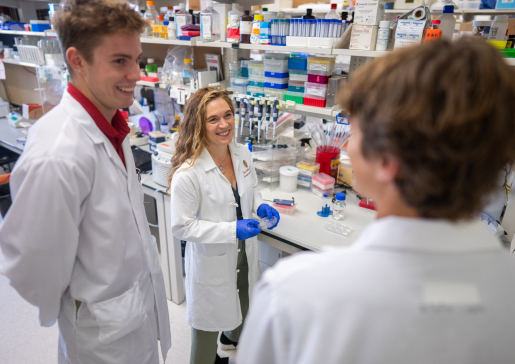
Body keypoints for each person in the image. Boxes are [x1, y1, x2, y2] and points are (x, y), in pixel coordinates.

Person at [237, 39, 515, 363]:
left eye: (353, 133)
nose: (347, 147)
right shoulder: (505, 288)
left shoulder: (296, 294)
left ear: (387, 160)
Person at [0, 1, 171, 363]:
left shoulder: (112, 127)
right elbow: (31, 267)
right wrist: (79, 302)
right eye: (120, 61)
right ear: (77, 60)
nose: (137, 74)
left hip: (132, 315)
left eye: (137, 59)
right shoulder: (59, 154)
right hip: (102, 336)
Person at [168, 87, 280, 364]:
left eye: (228, 115)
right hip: (213, 263)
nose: (224, 124)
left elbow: (249, 191)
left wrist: (260, 206)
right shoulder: (189, 173)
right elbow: (182, 227)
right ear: (198, 125)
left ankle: (227, 351)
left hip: (244, 254)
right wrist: (232, 231)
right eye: (213, 119)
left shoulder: (241, 153)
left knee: (242, 313)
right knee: (206, 337)